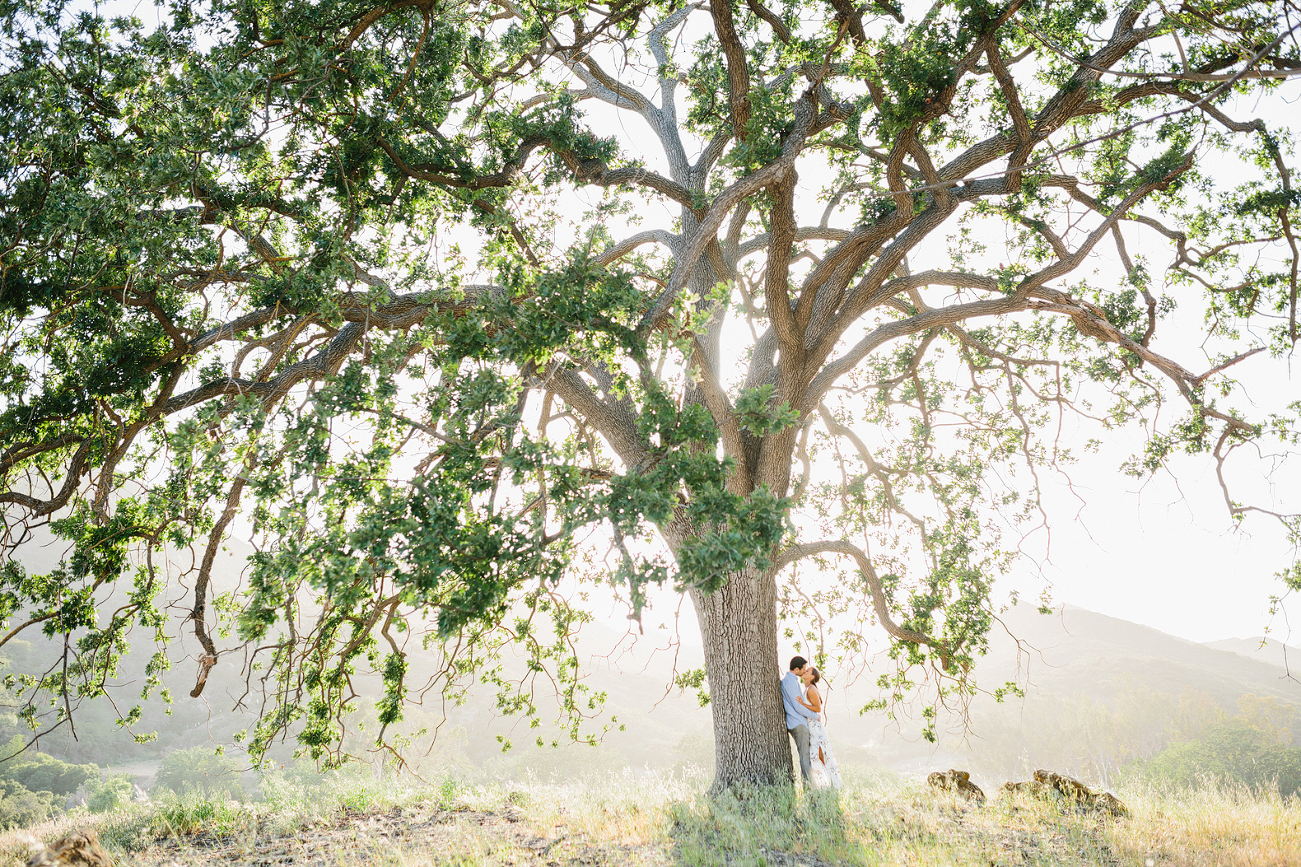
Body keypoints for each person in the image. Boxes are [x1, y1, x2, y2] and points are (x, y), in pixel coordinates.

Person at [797, 665, 842, 790]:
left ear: (812, 677)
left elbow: (818, 708)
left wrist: (802, 704)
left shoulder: (811, 689)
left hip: (815, 726)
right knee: (815, 753)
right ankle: (824, 783)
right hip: (810, 725)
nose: (804, 671)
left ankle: (830, 783)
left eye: (807, 671)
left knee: (820, 752)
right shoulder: (806, 689)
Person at [780, 656, 817, 784]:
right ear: (797, 669)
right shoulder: (790, 682)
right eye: (803, 669)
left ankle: (809, 785)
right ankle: (809, 787)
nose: (804, 671)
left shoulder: (791, 681)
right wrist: (814, 715)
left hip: (796, 722)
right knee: (805, 756)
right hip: (798, 723)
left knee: (806, 755)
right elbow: (797, 706)